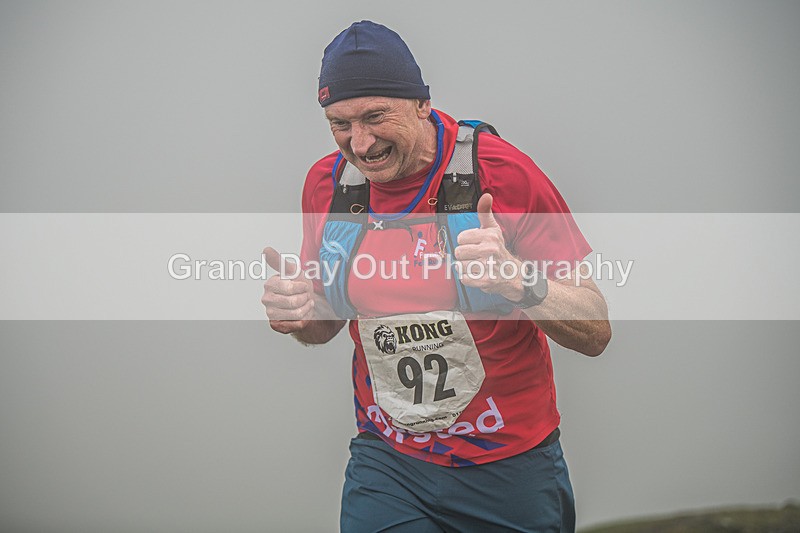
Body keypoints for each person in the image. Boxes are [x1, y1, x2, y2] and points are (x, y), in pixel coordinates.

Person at [262, 20, 611, 533]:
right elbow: (326, 322)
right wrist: (301, 313)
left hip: (509, 468)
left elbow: (596, 328)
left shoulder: (504, 175)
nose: (359, 143)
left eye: (375, 116)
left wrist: (519, 282)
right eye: (340, 124)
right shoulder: (328, 186)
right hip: (388, 462)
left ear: (422, 104)